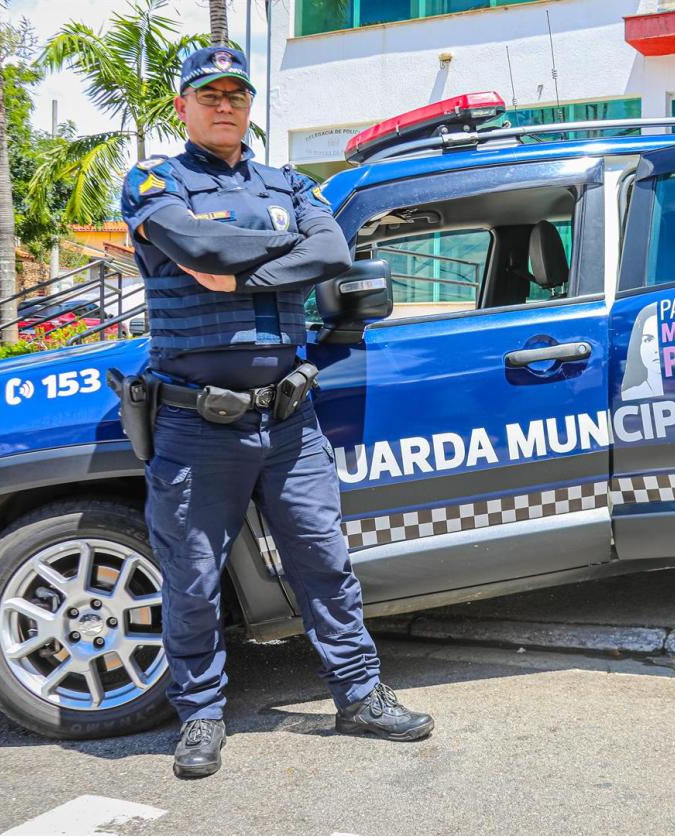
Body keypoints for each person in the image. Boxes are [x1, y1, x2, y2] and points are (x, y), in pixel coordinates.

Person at [120, 46, 432, 779]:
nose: (225, 103)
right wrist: (279, 244)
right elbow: (195, 240)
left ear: (250, 104)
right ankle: (199, 715)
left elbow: (332, 248)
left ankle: (359, 696)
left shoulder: (288, 180)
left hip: (289, 421)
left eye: (237, 92)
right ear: (183, 107)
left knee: (325, 563)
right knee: (192, 578)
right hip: (198, 424)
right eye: (209, 93)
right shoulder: (156, 181)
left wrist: (235, 277)